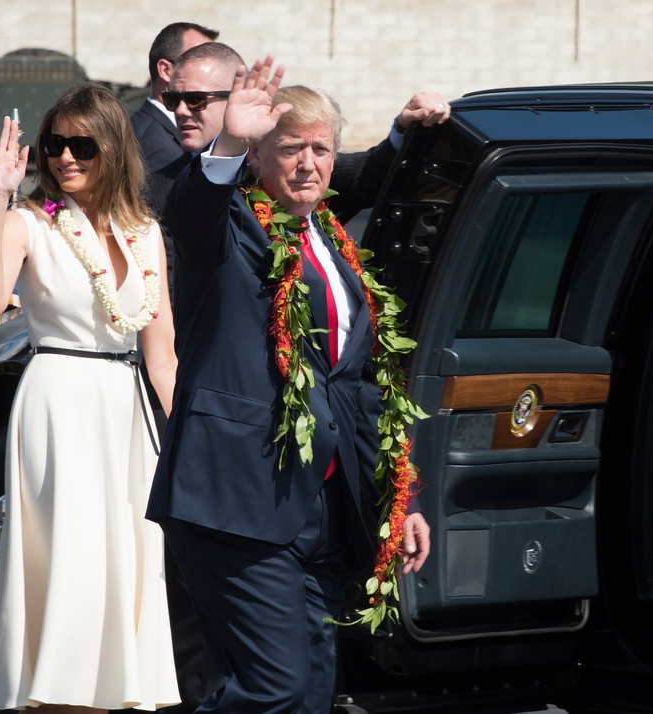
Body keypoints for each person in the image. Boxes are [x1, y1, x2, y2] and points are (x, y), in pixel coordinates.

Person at [152, 41, 449, 714]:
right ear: (258, 157)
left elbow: (363, 388)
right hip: (235, 497)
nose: (309, 163)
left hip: (321, 504)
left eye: (321, 149)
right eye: (289, 149)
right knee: (276, 686)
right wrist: (228, 139)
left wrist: (403, 497)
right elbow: (191, 210)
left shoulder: (332, 243)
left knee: (313, 689)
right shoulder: (227, 231)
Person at [0, 82, 179, 712]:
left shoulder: (145, 230)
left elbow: (161, 354)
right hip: (59, 400)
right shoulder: (32, 222)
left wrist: (189, 442)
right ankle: (55, 697)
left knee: (123, 564)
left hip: (126, 409)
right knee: (70, 566)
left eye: (81, 144)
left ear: (111, 148)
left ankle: (107, 696)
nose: (65, 157)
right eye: (54, 144)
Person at [159, 41, 451, 223]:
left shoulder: (301, 170)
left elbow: (367, 176)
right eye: (173, 100)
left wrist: (404, 126)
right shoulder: (156, 180)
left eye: (196, 99)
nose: (181, 111)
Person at [131, 22, 218, 178]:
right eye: (200, 61)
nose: (210, 72)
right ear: (166, 70)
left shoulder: (170, 129)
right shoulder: (148, 142)